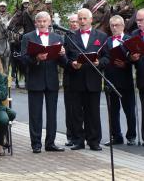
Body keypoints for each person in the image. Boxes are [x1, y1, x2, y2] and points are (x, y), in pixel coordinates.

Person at [21, 11, 67, 153]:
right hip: (35, 79)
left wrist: (63, 55)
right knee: (35, 113)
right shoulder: (27, 37)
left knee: (52, 113)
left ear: (49, 22)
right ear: (35, 23)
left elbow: (63, 63)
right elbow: (23, 59)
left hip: (52, 80)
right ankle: (36, 144)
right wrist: (36, 59)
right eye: (39, 21)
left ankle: (50, 143)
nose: (42, 24)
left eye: (44, 21)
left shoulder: (57, 37)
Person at [65, 8, 109, 151]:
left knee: (93, 112)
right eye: (80, 19)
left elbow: (107, 57)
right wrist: (72, 64)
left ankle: (94, 141)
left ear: (91, 20)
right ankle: (78, 140)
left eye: (85, 19)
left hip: (93, 80)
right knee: (76, 112)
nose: (82, 21)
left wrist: (99, 63)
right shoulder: (70, 36)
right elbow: (65, 58)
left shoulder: (101, 36)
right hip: (76, 79)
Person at [103, 15, 136, 146]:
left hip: (126, 80)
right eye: (112, 25)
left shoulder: (130, 40)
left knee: (129, 110)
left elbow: (136, 59)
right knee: (113, 111)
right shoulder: (107, 41)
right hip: (110, 79)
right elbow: (104, 57)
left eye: (117, 25)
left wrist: (126, 63)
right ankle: (116, 136)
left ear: (123, 26)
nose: (114, 28)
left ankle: (131, 136)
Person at [63, 14, 79, 147]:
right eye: (71, 22)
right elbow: (63, 58)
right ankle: (71, 136)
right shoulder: (66, 37)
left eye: (76, 21)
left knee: (82, 110)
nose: (74, 24)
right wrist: (69, 63)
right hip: (69, 76)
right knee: (70, 109)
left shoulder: (83, 37)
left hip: (83, 77)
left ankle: (83, 135)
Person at [130, 8, 144, 145]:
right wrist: (132, 57)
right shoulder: (134, 34)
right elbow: (130, 56)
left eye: (141, 20)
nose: (138, 23)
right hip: (142, 77)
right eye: (137, 21)